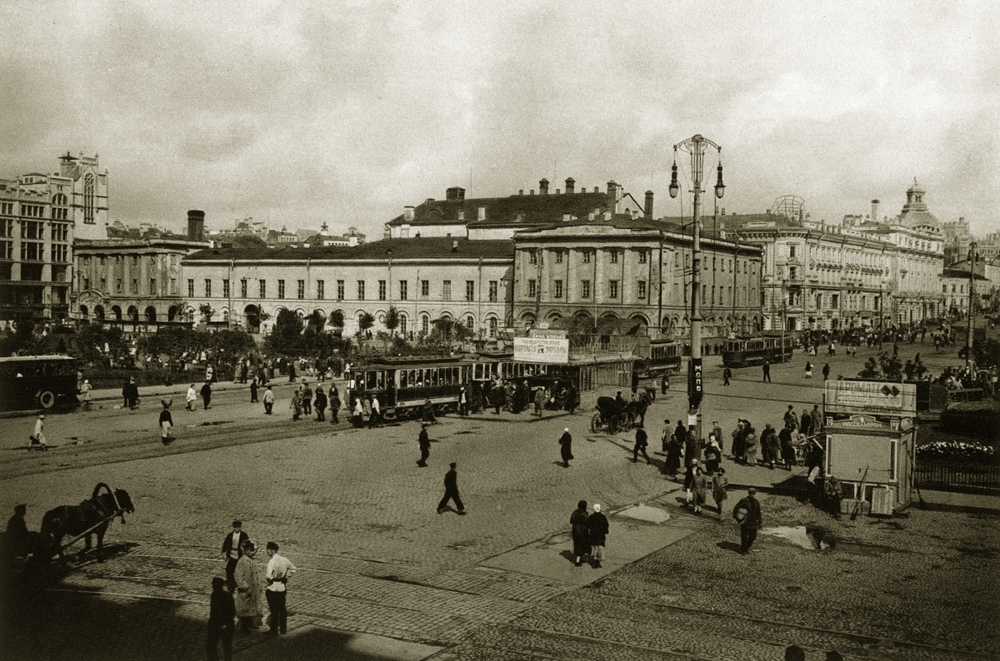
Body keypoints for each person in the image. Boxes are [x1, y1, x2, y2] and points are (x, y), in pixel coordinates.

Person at [264, 541, 296, 636]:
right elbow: (293, 569)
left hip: (272, 587)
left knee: (273, 610)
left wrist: (272, 578)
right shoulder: (284, 559)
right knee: (282, 609)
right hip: (282, 587)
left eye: (268, 550)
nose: (267, 551)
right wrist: (286, 577)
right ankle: (283, 629)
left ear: (272, 550)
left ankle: (273, 630)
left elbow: (268, 576)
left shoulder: (272, 561)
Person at [233, 540, 263, 635]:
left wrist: (259, 586)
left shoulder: (251, 560)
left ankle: (250, 625)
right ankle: (243, 629)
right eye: (250, 550)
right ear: (245, 551)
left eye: (253, 550)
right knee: (245, 610)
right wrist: (245, 587)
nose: (253, 552)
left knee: (252, 609)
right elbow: (238, 576)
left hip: (253, 590)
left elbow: (256, 575)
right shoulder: (242, 561)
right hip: (246, 591)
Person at [207, 576, 236, 661]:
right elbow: (232, 611)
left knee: (211, 645)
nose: (212, 586)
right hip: (227, 624)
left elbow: (215, 612)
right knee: (227, 647)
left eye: (213, 584)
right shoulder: (227, 595)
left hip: (218, 624)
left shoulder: (215, 595)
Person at [221, 521, 250, 592]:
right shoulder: (230, 535)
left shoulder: (244, 535)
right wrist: (224, 553)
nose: (237, 529)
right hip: (232, 555)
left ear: (240, 527)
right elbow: (225, 545)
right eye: (235, 527)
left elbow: (248, 545)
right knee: (229, 569)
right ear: (233, 527)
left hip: (240, 555)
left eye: (238, 527)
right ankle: (231, 582)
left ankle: (240, 583)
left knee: (240, 570)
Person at [733, 488, 763, 554]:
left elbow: (758, 512)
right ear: (748, 493)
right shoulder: (744, 501)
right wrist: (738, 518)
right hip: (745, 521)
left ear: (754, 494)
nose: (751, 495)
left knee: (753, 536)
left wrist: (760, 521)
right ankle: (743, 549)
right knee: (744, 535)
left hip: (753, 521)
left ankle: (747, 546)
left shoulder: (756, 502)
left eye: (753, 494)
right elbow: (736, 508)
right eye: (750, 493)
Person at [587, 503, 609, 568]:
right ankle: (598, 561)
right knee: (600, 547)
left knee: (595, 547)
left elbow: (588, 525)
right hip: (601, 535)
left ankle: (595, 561)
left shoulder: (591, 517)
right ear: (600, 509)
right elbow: (606, 525)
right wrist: (605, 531)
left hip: (593, 534)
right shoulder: (603, 517)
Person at [570, 500, 590, 567]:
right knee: (582, 544)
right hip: (583, 531)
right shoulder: (585, 513)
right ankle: (580, 559)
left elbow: (571, 521)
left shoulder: (575, 512)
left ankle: (577, 559)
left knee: (577, 544)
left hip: (575, 530)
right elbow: (588, 523)